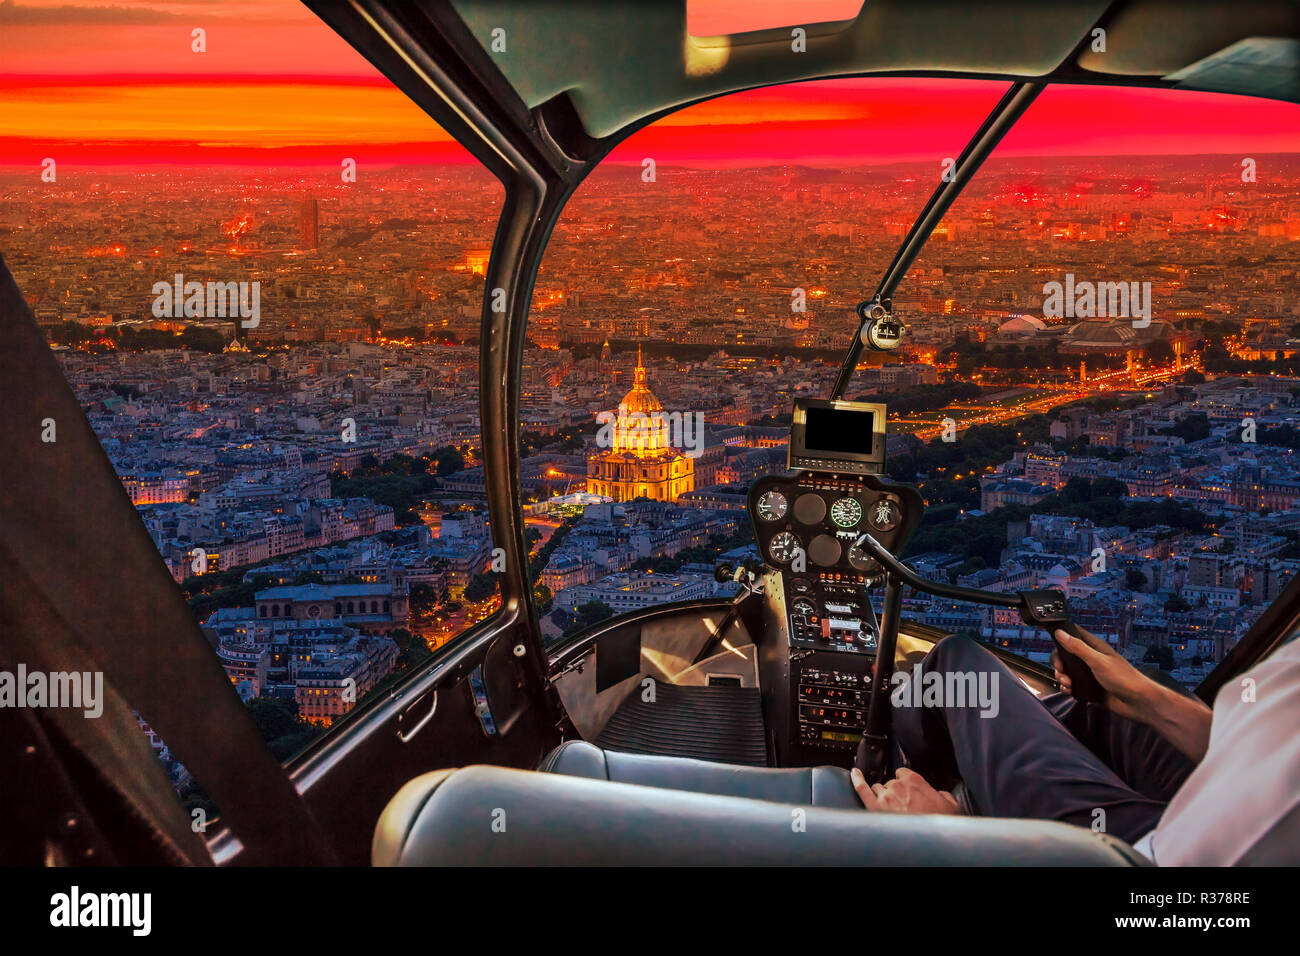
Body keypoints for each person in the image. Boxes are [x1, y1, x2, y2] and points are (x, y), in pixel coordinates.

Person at [849, 627, 1300, 865]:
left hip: (1148, 858)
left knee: (960, 669)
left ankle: (905, 776)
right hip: (1229, 792)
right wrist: (1144, 698)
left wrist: (953, 844)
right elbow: (1267, 743)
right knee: (1108, 706)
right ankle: (986, 772)